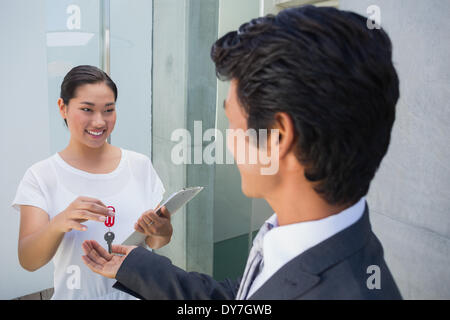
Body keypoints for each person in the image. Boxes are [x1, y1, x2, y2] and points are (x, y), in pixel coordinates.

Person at [81, 5, 402, 299]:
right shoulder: (306, 239)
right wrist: (137, 267)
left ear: (278, 137)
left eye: (232, 122)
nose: (227, 140)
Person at [12, 65, 173, 300]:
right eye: (87, 109)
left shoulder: (139, 165)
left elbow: (156, 242)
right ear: (62, 108)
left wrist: (163, 231)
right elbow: (28, 260)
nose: (99, 122)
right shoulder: (41, 176)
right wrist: (59, 222)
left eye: (109, 110)